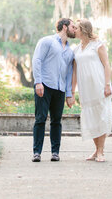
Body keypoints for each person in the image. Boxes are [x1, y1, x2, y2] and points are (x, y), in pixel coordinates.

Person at [31, 17, 76, 162]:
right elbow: (37, 60)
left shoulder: (70, 51)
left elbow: (69, 73)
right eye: (73, 27)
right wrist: (38, 82)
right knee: (40, 119)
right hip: (44, 86)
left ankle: (55, 152)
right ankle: (36, 152)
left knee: (56, 121)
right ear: (64, 26)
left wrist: (69, 93)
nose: (75, 30)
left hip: (60, 89)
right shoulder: (47, 41)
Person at [71, 19, 112, 162]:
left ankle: (101, 152)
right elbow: (75, 72)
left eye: (76, 28)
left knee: (101, 116)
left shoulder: (98, 44)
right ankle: (96, 150)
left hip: (99, 85)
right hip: (85, 88)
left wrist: (107, 85)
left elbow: (106, 64)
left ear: (83, 29)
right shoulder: (76, 49)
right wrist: (72, 90)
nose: (74, 30)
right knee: (91, 119)